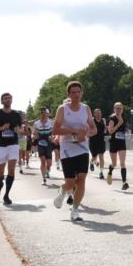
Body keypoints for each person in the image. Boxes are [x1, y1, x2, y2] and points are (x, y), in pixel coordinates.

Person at [52, 81, 95, 222]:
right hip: (67, 149)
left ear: (82, 93)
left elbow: (94, 129)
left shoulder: (86, 109)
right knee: (70, 182)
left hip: (82, 148)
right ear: (68, 94)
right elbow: (55, 130)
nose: (76, 95)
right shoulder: (62, 109)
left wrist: (85, 135)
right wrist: (73, 131)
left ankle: (75, 210)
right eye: (73, 92)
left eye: (78, 92)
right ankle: (63, 190)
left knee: (81, 180)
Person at [0, 93, 21, 206]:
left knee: (11, 169)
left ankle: (6, 195)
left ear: (12, 100)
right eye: (5, 98)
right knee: (0, 173)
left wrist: (17, 130)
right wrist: (1, 128)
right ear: (2, 101)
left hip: (13, 144)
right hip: (0, 145)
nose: (8, 99)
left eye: (10, 98)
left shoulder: (16, 114)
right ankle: (0, 183)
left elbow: (20, 129)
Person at [106, 102, 130, 190]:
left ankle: (124, 183)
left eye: (120, 108)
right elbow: (110, 131)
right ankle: (110, 172)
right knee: (114, 163)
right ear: (114, 109)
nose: (118, 110)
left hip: (121, 142)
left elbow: (125, 127)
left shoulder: (124, 118)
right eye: (117, 108)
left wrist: (127, 130)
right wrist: (119, 124)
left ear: (122, 109)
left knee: (122, 163)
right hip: (113, 142)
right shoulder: (112, 119)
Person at [33, 108, 55, 184]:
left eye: (45, 112)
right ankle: (43, 179)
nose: (43, 114)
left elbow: (54, 133)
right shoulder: (36, 123)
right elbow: (34, 135)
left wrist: (52, 137)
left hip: (49, 144)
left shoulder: (51, 122)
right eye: (42, 112)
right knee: (42, 161)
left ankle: (47, 170)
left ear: (48, 114)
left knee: (49, 163)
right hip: (41, 143)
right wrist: (35, 135)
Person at [89, 107, 107, 179]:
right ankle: (91, 162)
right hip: (93, 141)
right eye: (97, 113)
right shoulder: (92, 121)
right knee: (94, 157)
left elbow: (105, 130)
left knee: (101, 157)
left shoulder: (103, 120)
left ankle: (101, 172)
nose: (98, 114)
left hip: (101, 141)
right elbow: (88, 130)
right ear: (94, 114)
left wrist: (106, 129)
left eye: (99, 113)